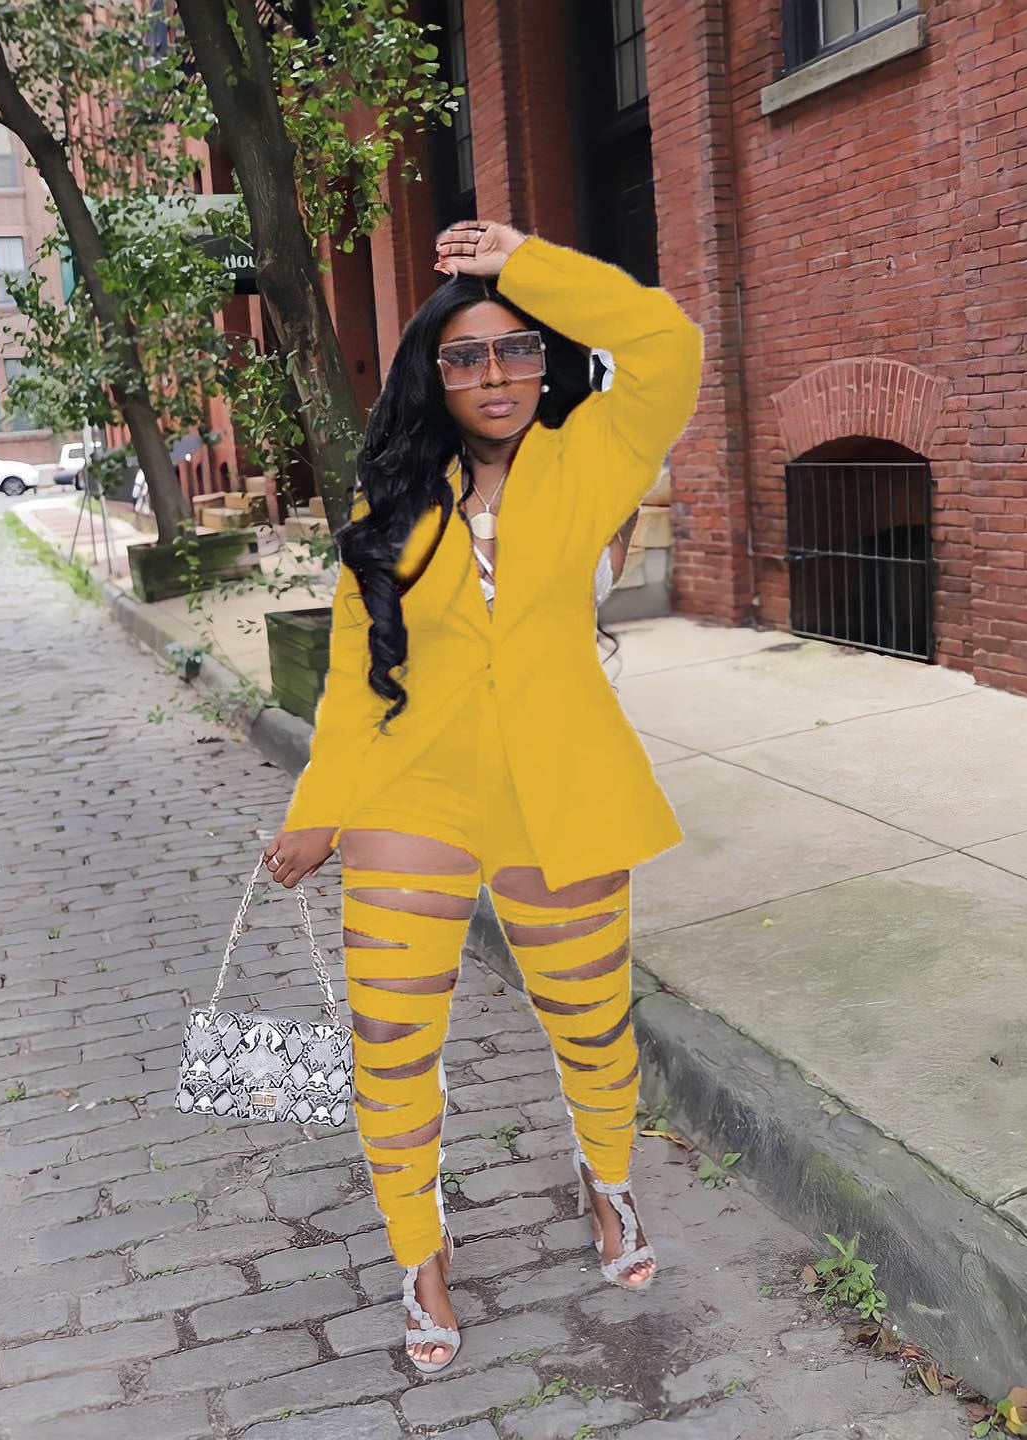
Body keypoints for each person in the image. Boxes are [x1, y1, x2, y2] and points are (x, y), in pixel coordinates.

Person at [263, 219, 702, 1375]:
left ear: (546, 361)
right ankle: (421, 1255)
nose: (496, 373)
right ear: (434, 374)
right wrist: (319, 808)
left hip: (562, 786)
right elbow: (357, 678)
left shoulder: (595, 454)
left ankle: (608, 1185)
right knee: (390, 1041)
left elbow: (667, 342)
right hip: (413, 791)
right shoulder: (395, 503)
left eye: (517, 349)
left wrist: (521, 263)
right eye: (467, 356)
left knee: (592, 1023)